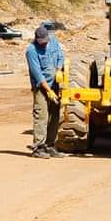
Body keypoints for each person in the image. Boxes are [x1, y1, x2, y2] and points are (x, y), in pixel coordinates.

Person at [25, 24, 66, 155]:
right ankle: (39, 147)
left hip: (55, 84)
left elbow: (60, 56)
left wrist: (59, 70)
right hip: (41, 87)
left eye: (45, 41)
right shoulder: (31, 50)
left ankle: (50, 144)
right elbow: (37, 74)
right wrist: (49, 91)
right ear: (36, 39)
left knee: (54, 115)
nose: (43, 44)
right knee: (41, 115)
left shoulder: (54, 42)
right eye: (40, 42)